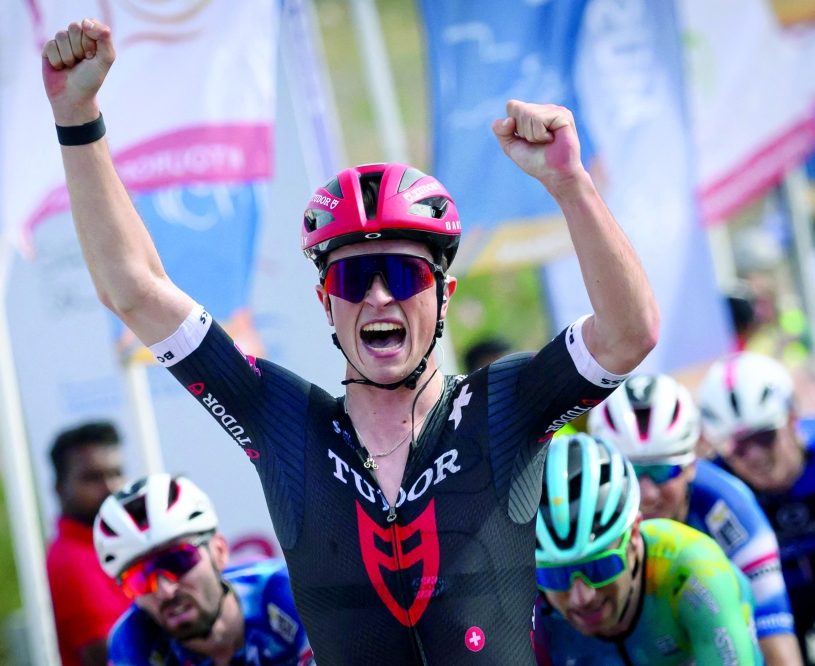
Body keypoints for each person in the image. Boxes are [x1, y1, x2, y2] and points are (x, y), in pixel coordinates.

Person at [40, 18, 658, 664]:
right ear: (326, 304)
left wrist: (569, 183)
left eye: (402, 274)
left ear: (442, 297)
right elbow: (133, 289)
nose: (380, 297)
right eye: (355, 278)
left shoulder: (503, 406)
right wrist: (76, 114)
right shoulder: (285, 424)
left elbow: (629, 332)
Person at [588, 374, 802, 666]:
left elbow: (773, 632)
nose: (647, 494)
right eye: (632, 474)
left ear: (690, 466)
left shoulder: (729, 507)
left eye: (663, 471)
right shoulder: (586, 514)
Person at [532, 434, 763, 666]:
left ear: (633, 536)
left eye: (599, 567)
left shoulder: (691, 571)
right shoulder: (524, 602)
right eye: (555, 577)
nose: (581, 598)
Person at [698, 351, 815, 660]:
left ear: (791, 419)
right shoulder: (717, 483)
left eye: (764, 436)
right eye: (737, 446)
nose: (754, 456)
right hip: (772, 586)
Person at [96, 474, 313, 666]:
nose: (165, 591)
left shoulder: (289, 596)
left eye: (177, 561)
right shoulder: (132, 645)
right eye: (139, 579)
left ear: (219, 551)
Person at [46, 421, 129, 666]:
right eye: (92, 478)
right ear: (60, 489)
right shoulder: (72, 562)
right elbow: (111, 657)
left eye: (116, 473)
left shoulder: (109, 545)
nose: (110, 488)